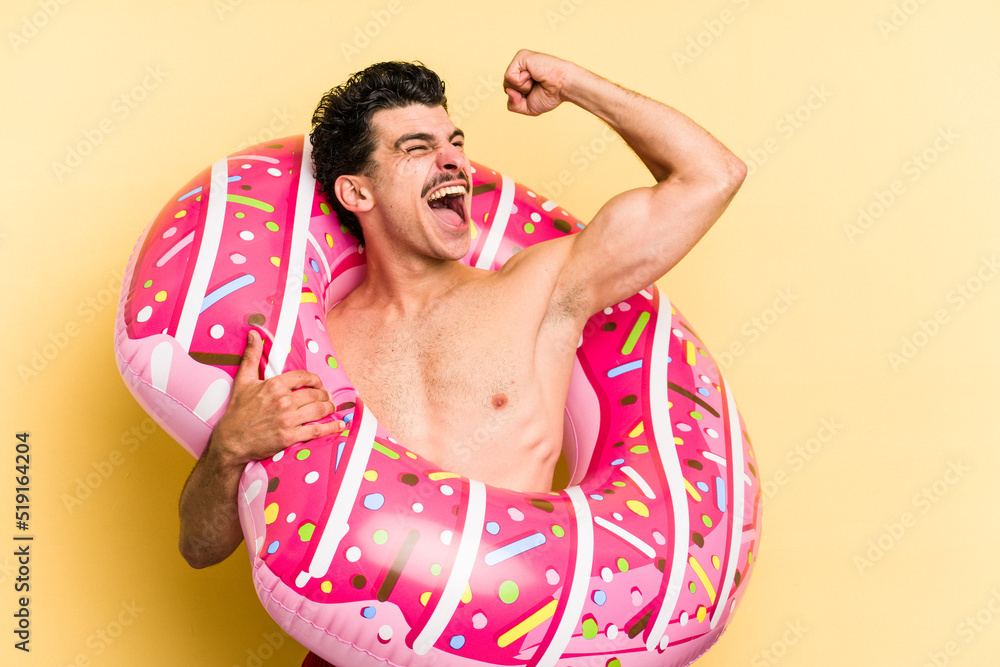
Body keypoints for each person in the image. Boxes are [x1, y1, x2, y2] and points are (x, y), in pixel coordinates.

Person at [178, 49, 745, 666]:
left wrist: (576, 85)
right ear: (356, 191)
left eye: (455, 142)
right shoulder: (309, 346)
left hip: (504, 647)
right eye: (416, 147)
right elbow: (200, 548)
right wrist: (229, 448)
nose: (453, 159)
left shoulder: (543, 290)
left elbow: (711, 175)